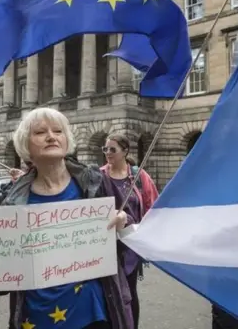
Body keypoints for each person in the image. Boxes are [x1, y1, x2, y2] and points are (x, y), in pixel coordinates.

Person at [0, 107, 135, 329]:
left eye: (58, 131)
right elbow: (0, 278)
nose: (51, 136)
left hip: (94, 316)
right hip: (36, 318)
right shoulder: (14, 202)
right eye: (40, 132)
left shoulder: (95, 182)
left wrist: (123, 223)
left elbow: (128, 236)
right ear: (26, 145)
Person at [100, 133, 159, 329]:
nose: (108, 153)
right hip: (106, 245)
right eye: (105, 149)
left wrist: (147, 234)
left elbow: (153, 206)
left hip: (130, 246)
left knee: (129, 293)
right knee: (109, 292)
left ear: (125, 151)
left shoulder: (140, 176)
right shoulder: (99, 175)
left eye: (112, 149)